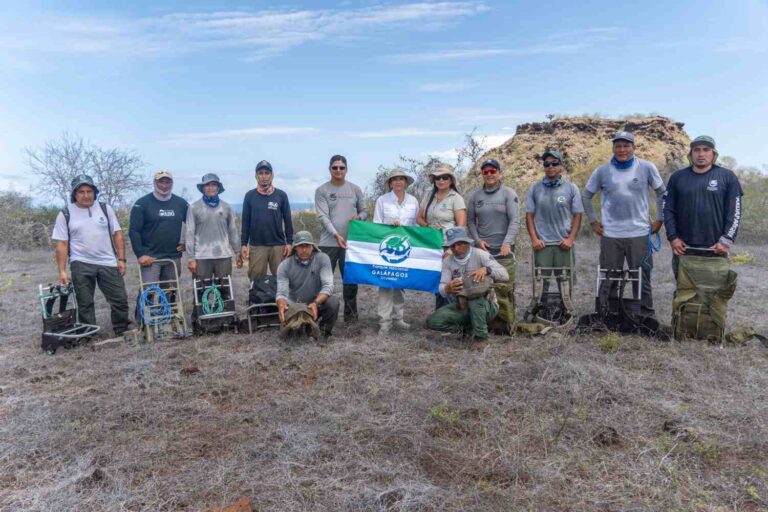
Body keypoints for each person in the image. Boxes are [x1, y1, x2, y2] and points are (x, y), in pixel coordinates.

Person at [582, 131, 666, 319]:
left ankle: (645, 315)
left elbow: (662, 192)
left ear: (634, 148)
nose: (622, 150)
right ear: (613, 148)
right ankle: (608, 313)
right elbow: (586, 195)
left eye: (626, 145)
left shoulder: (646, 167)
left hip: (639, 233)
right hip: (611, 234)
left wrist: (660, 218)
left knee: (641, 276)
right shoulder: (602, 171)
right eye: (618, 146)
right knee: (609, 276)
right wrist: (593, 221)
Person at [51, 174, 130, 335]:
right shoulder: (65, 213)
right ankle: (89, 332)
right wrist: (62, 271)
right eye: (81, 192)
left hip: (108, 261)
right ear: (75, 194)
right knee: (85, 302)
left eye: (89, 191)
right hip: (81, 262)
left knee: (119, 299)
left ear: (94, 192)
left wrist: (121, 259)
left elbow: (117, 234)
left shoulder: (105, 209)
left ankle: (122, 329)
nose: (86, 195)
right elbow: (62, 244)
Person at [663, 135, 743, 277]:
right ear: (691, 154)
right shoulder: (677, 177)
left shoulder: (727, 176)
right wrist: (673, 237)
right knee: (684, 294)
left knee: (713, 294)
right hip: (684, 248)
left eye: (706, 150)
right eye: (697, 150)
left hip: (715, 248)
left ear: (713, 154)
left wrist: (726, 240)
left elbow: (735, 212)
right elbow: (668, 209)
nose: (701, 154)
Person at [426, 227, 509, 342]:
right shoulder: (447, 261)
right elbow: (441, 289)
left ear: (468, 243)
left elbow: (505, 275)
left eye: (459, 244)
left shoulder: (481, 255)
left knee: (475, 299)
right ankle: (467, 329)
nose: (456, 248)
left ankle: (481, 338)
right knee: (433, 321)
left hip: (486, 305)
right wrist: (447, 288)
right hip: (461, 305)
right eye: (452, 245)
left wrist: (487, 270)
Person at [314, 155, 367, 323]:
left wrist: (360, 217)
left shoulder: (355, 189)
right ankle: (319, 315)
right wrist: (336, 235)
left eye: (341, 167)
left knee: (350, 282)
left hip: (350, 244)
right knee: (322, 281)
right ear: (329, 169)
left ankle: (351, 319)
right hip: (328, 243)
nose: (338, 170)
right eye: (335, 167)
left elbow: (365, 211)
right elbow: (323, 217)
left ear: (346, 169)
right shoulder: (322, 190)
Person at [467, 158, 519, 326]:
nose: (489, 174)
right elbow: (470, 222)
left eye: (493, 171)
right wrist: (477, 240)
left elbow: (515, 220)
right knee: (481, 287)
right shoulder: (475, 196)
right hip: (483, 251)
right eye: (485, 172)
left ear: (499, 173)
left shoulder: (509, 194)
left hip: (503, 251)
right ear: (482, 174)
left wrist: (507, 243)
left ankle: (506, 323)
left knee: (505, 287)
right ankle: (484, 322)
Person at [525, 150, 584, 291]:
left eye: (554, 163)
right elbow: (529, 216)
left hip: (563, 244)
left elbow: (577, 215)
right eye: (547, 164)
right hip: (542, 245)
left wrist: (570, 239)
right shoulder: (535, 188)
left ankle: (566, 311)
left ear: (561, 166)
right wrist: (534, 239)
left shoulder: (571, 188)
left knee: (565, 283)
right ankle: (540, 310)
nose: (550, 167)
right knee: (540, 284)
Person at [372, 169, 420, 335]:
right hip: (386, 248)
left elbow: (416, 226)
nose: (398, 182)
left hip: (405, 248)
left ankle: (398, 318)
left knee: (400, 284)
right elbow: (376, 225)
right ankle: (384, 321)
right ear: (390, 183)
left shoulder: (413, 201)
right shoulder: (382, 200)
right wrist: (388, 227)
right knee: (385, 284)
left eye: (401, 179)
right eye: (395, 179)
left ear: (406, 182)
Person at [417, 164, 467, 308]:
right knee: (438, 281)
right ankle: (440, 314)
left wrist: (452, 249)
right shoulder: (428, 195)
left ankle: (451, 316)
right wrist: (427, 225)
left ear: (451, 180)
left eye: (445, 177)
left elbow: (461, 226)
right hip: (432, 245)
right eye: (438, 177)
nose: (441, 180)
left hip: (448, 245)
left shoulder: (456, 198)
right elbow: (419, 218)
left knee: (450, 282)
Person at [276, 231, 339, 340]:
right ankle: (301, 329)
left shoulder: (323, 259)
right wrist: (281, 304)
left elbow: (328, 286)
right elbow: (282, 293)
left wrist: (315, 303)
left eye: (307, 246)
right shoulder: (284, 265)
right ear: (295, 247)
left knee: (333, 301)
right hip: (295, 307)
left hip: (316, 305)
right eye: (300, 246)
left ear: (312, 246)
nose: (304, 250)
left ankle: (324, 333)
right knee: (292, 338)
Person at [129, 170, 188, 285]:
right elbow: (134, 231)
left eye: (168, 182)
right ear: (154, 183)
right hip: (150, 258)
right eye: (161, 182)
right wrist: (140, 254)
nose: (164, 185)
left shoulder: (181, 204)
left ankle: (169, 303)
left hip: (173, 257)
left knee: (171, 293)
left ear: (172, 183)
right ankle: (142, 303)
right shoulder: (141, 204)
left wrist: (187, 243)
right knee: (148, 294)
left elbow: (193, 224)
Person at [240, 160, 293, 280]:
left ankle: (281, 299)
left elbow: (288, 220)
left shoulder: (281, 195)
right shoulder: (249, 196)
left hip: (278, 245)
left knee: (281, 278)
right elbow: (245, 222)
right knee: (256, 278)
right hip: (257, 245)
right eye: (261, 173)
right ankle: (255, 299)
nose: (264, 176)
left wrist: (289, 242)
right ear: (256, 175)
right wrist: (243, 244)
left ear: (272, 175)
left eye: (267, 173)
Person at [185, 173, 240, 280]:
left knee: (225, 292)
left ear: (218, 188)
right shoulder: (194, 208)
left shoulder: (226, 207)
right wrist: (190, 258)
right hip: (201, 257)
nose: (211, 188)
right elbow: (189, 233)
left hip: (223, 256)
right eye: (207, 185)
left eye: (214, 185)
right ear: (203, 188)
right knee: (201, 292)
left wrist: (237, 252)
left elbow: (233, 231)